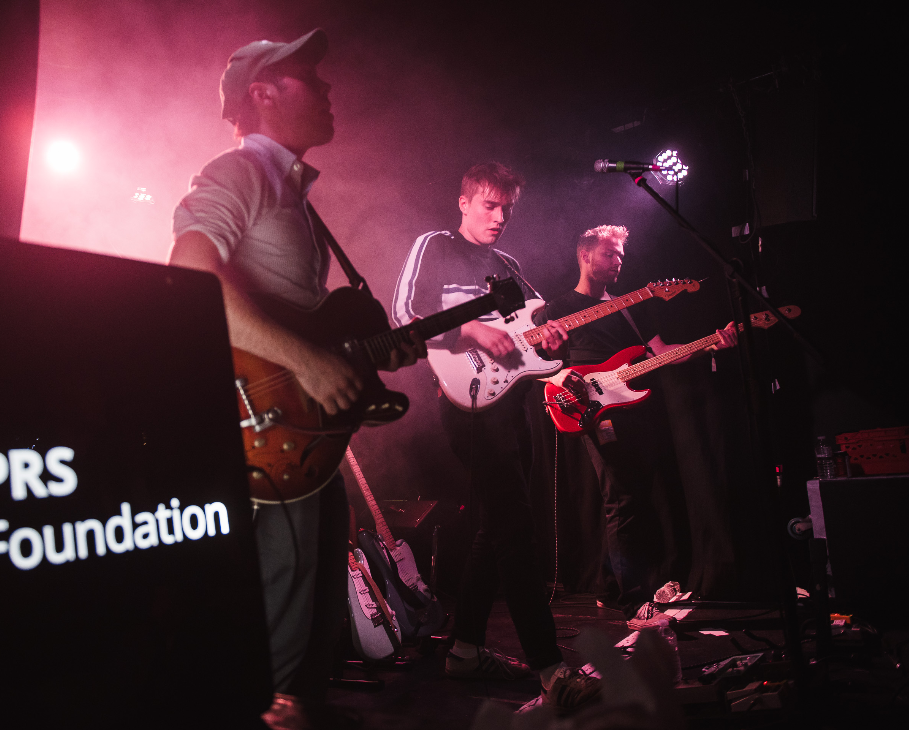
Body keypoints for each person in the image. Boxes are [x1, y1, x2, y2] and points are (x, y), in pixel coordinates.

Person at [168, 29, 422, 730]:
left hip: (305, 438)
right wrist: (309, 361)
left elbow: (308, 326)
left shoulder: (296, 196)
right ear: (262, 92)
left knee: (310, 612)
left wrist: (363, 351)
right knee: (284, 607)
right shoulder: (238, 173)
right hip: (265, 433)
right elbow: (189, 279)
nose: (330, 90)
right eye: (313, 79)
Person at [391, 162, 600, 712]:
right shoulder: (432, 246)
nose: (500, 217)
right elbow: (405, 313)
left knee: (495, 521)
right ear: (463, 203)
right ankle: (551, 669)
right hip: (466, 404)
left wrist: (551, 340)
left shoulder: (507, 265)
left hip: (513, 405)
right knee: (514, 527)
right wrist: (470, 327)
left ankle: (464, 649)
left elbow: (532, 337)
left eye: (507, 208)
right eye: (489, 205)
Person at [535, 225, 736, 629]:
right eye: (609, 253)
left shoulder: (630, 305)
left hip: (637, 407)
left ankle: (610, 591)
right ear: (585, 256)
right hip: (594, 409)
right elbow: (540, 365)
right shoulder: (556, 308)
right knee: (623, 501)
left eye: (622, 254)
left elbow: (659, 353)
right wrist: (563, 378)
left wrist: (709, 343)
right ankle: (633, 603)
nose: (618, 261)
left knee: (637, 498)